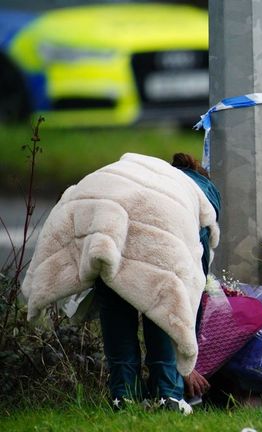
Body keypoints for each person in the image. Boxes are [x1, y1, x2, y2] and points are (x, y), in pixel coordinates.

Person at [21, 152, 221, 415]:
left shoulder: (147, 172)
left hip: (102, 219)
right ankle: (168, 396)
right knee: (164, 303)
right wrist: (188, 361)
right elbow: (191, 291)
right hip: (159, 229)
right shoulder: (201, 200)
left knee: (115, 292)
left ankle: (124, 396)